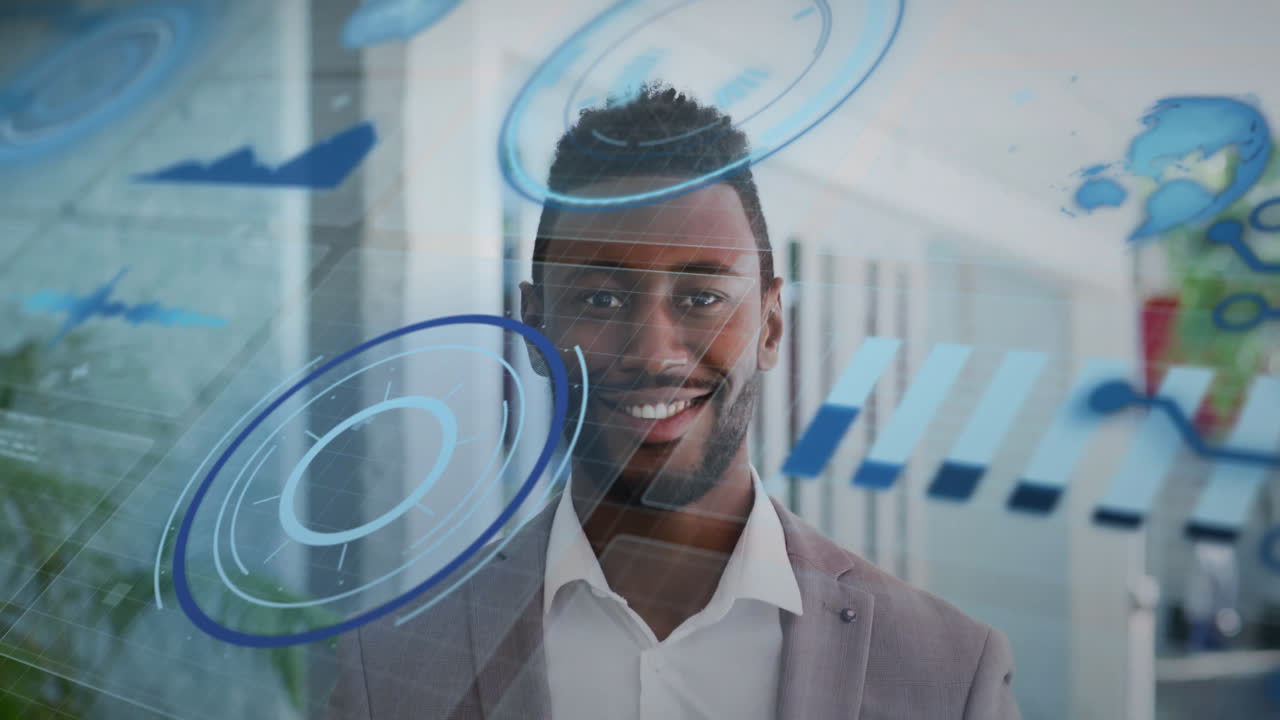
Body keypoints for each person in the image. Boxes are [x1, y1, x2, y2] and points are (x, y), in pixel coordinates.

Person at [327, 84, 1020, 719]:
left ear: (771, 326)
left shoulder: (951, 673)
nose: (654, 352)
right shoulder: (389, 667)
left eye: (701, 298)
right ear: (535, 327)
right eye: (600, 297)